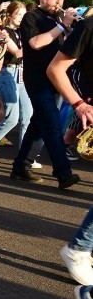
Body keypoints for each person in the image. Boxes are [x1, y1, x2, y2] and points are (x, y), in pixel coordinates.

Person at [10, 0, 80, 188]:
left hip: (56, 79)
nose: (60, 2)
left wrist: (73, 29)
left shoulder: (57, 19)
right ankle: (63, 172)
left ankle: (21, 166)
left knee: (39, 124)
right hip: (38, 79)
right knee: (51, 124)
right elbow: (36, 43)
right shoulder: (31, 17)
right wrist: (62, 26)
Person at [47, 15, 93, 284]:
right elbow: (55, 69)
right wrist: (79, 105)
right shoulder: (89, 26)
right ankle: (78, 249)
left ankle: (81, 248)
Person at [0, 1, 30, 164]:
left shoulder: (24, 31)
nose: (21, 18)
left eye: (24, 14)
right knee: (12, 117)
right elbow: (17, 53)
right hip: (8, 72)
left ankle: (26, 156)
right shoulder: (4, 31)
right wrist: (37, 44)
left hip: (23, 73)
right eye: (18, 14)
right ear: (9, 15)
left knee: (28, 116)